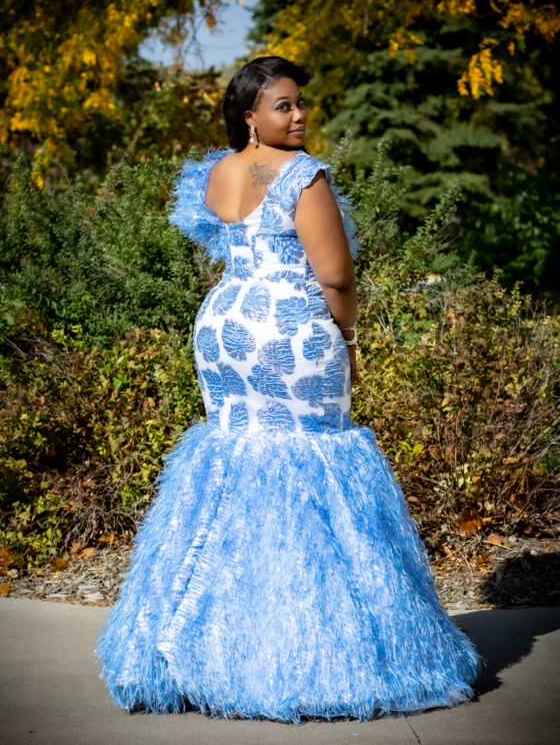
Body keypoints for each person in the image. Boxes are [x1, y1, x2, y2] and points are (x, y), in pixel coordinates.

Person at [96, 56, 483, 726]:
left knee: (237, 460)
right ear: (250, 114)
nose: (299, 116)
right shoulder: (305, 176)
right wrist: (350, 341)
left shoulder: (217, 173)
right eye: (283, 106)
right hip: (291, 332)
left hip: (224, 326)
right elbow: (334, 275)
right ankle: (309, 662)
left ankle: (195, 653)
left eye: (301, 104)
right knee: (313, 465)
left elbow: (229, 239)